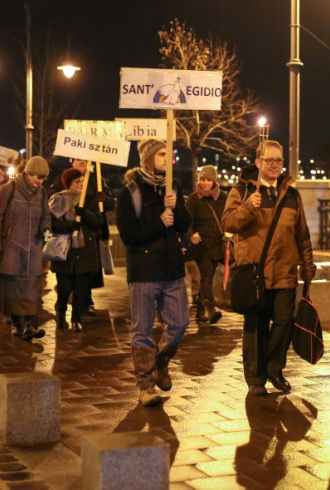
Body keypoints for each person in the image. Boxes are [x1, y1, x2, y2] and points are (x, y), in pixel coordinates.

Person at [223, 140, 316, 396]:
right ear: (258, 162)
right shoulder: (242, 191)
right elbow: (228, 224)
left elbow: (302, 233)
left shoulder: (292, 195)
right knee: (256, 327)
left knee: (284, 322)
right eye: (269, 160)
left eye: (278, 160)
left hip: (285, 271)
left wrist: (308, 263)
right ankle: (255, 378)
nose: (274, 165)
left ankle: (274, 368)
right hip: (255, 272)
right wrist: (247, 208)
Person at [116, 138, 191, 407]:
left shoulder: (173, 187)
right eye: (160, 154)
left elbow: (184, 224)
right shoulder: (130, 192)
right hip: (144, 271)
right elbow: (129, 235)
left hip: (172, 270)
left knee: (180, 323)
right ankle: (146, 385)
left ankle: (161, 360)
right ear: (148, 159)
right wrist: (159, 222)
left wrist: (176, 207)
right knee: (142, 330)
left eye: (168, 154)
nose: (166, 158)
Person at [0, 156, 52, 341]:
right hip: (12, 247)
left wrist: (46, 229)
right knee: (14, 286)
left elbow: (46, 215)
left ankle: (30, 325)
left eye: (43, 178)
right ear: (28, 173)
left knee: (31, 287)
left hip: (33, 247)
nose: (40, 182)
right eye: (38, 177)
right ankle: (17, 324)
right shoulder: (9, 189)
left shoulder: (42, 192)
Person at [49, 168, 103, 332]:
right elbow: (51, 223)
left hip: (84, 251)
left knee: (81, 289)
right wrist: (68, 226)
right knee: (64, 288)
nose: (80, 184)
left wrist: (85, 214)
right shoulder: (57, 199)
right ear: (68, 183)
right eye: (76, 181)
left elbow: (98, 223)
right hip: (65, 250)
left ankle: (76, 319)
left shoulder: (90, 200)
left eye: (82, 181)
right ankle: (61, 313)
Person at [184, 164, 226, 324]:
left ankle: (200, 313)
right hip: (201, 247)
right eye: (202, 179)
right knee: (206, 277)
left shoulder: (222, 197)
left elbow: (228, 218)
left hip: (217, 246)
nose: (205, 183)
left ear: (214, 181)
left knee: (207, 277)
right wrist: (192, 235)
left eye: (208, 180)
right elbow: (187, 222)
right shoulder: (194, 199)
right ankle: (211, 309)